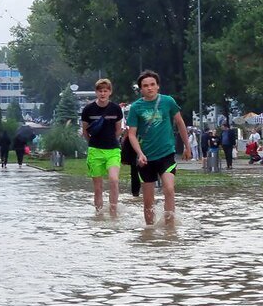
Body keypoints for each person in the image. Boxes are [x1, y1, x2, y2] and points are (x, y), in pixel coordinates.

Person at [126, 70, 191, 225]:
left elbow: (180, 123)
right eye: (145, 86)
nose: (149, 88)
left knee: (169, 189)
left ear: (158, 86)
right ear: (140, 89)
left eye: (152, 84)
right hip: (146, 158)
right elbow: (132, 134)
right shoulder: (136, 107)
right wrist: (140, 153)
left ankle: (169, 227)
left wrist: (187, 147)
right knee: (148, 201)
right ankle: (149, 231)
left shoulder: (168, 101)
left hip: (166, 154)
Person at [81, 78, 123, 215]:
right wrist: (93, 143)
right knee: (98, 188)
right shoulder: (88, 109)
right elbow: (85, 131)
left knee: (114, 179)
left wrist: (111, 140)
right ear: (96, 92)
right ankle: (98, 214)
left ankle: (113, 211)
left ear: (110, 92)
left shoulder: (116, 109)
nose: (103, 94)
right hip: (95, 150)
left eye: (105, 91)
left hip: (113, 150)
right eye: (100, 91)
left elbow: (118, 130)